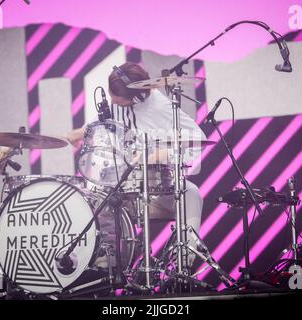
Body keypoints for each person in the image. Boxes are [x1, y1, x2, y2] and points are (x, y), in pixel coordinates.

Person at [67, 62, 206, 267]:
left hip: (158, 189)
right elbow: (103, 122)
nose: (115, 103)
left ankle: (186, 262)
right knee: (97, 197)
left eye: (120, 101)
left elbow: (197, 139)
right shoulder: (117, 104)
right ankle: (108, 266)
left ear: (136, 95)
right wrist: (81, 132)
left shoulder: (161, 107)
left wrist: (165, 154)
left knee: (191, 193)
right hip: (122, 188)